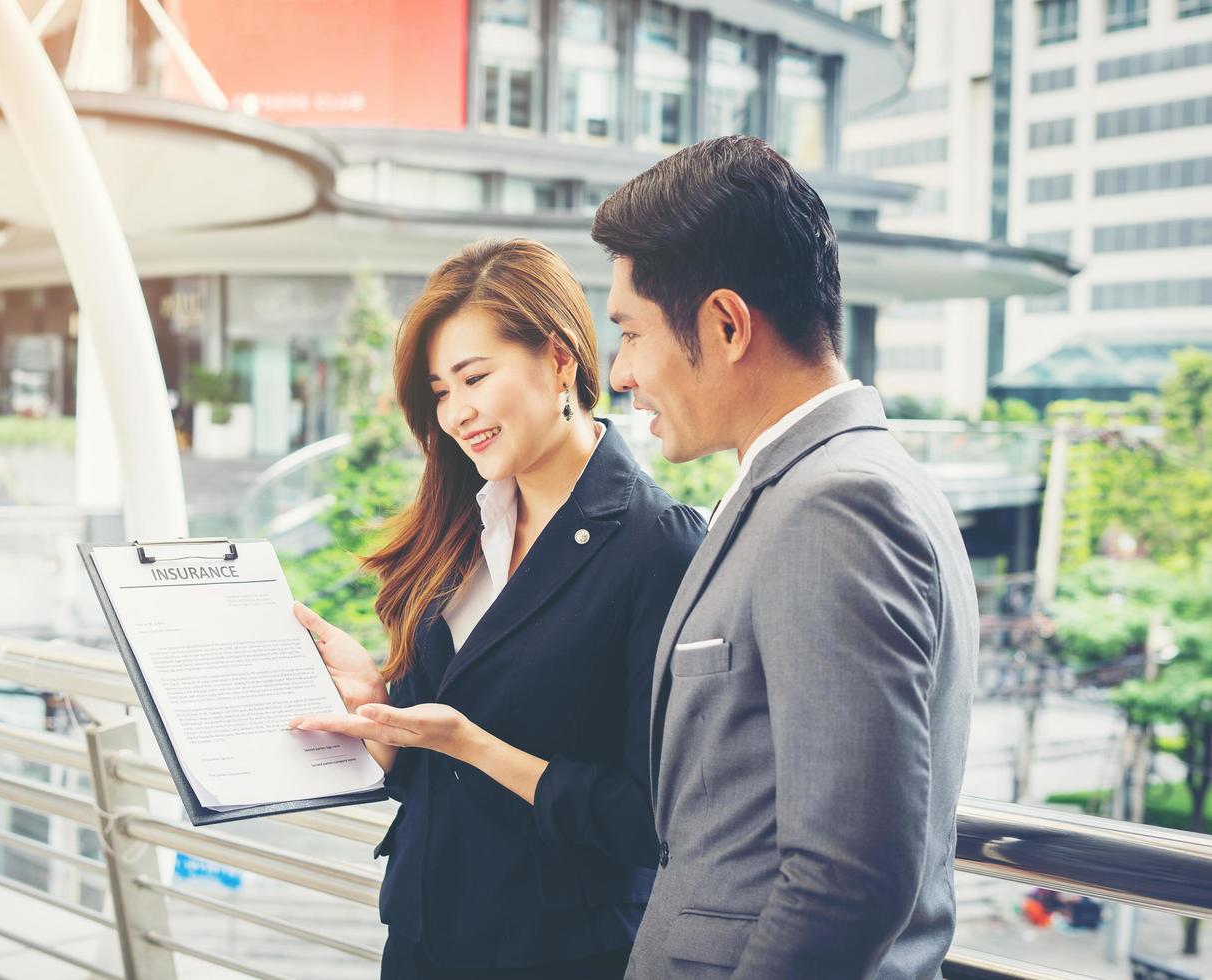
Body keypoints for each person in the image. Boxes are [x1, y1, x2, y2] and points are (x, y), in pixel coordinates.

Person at [592, 136, 978, 979]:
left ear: (726, 325)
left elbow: (847, 880)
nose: (619, 372)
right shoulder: (824, 482)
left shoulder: (836, 505)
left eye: (628, 332)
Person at [289, 238, 706, 979]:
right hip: (421, 938)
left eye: (473, 378)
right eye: (440, 391)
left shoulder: (655, 544)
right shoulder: (460, 523)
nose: (456, 413)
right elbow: (429, 770)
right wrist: (378, 712)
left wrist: (471, 745)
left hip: (560, 956)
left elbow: (653, 819)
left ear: (558, 360)